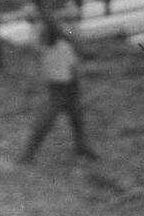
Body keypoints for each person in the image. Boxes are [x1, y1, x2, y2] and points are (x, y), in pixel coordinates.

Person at [18, 14, 99, 164]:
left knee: (74, 104)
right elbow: (49, 22)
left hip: (59, 47)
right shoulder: (49, 0)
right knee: (55, 103)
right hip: (55, 47)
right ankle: (28, 153)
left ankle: (80, 143)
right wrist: (74, 41)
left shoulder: (56, 1)